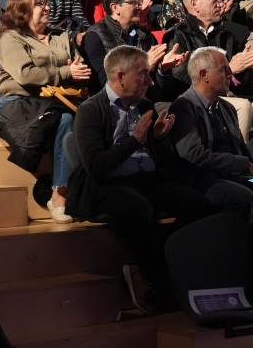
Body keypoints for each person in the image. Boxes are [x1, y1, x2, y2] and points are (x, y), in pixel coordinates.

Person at [64, 45, 213, 312]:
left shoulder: (145, 107)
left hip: (145, 180)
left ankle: (172, 255)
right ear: (120, 76)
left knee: (198, 203)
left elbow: (162, 163)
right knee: (139, 208)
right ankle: (151, 280)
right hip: (104, 185)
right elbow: (97, 167)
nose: (150, 81)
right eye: (142, 74)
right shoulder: (90, 110)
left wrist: (158, 140)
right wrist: (135, 141)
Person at [0, 0, 90, 223]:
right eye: (39, 3)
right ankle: (60, 196)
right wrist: (66, 71)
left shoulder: (61, 37)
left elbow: (81, 68)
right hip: (21, 103)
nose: (46, 8)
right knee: (65, 117)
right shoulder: (11, 38)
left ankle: (72, 193)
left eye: (47, 3)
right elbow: (26, 75)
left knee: (78, 118)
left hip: (59, 101)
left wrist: (73, 71)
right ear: (22, 9)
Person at [168, 47, 253, 219]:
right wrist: (243, 164)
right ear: (204, 74)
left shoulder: (227, 108)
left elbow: (240, 155)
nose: (230, 74)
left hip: (233, 176)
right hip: (203, 181)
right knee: (243, 197)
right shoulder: (184, 106)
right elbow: (193, 155)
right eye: (223, 70)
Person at [166, 0, 253, 130]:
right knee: (243, 106)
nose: (221, 5)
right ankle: (240, 152)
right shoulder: (177, 35)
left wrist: (244, 67)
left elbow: (246, 86)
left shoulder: (226, 36)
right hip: (198, 99)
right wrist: (229, 70)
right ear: (195, 4)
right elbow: (181, 78)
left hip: (229, 95)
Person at [82, 0, 185, 94]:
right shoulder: (95, 37)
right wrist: (142, 67)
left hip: (146, 99)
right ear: (115, 8)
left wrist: (163, 70)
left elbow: (159, 88)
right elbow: (105, 85)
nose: (139, 6)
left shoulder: (144, 35)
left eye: (139, 1)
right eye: (133, 2)